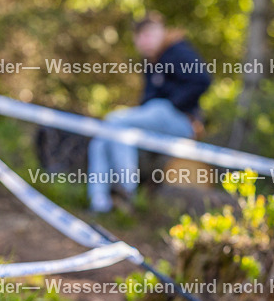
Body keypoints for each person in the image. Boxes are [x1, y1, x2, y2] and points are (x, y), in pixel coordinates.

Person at [88, 12, 211, 212]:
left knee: (115, 121)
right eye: (141, 36)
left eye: (149, 35)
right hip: (156, 118)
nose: (145, 41)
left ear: (161, 32)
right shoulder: (151, 61)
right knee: (102, 138)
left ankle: (127, 190)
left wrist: (174, 104)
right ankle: (99, 202)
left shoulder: (177, 50)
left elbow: (202, 80)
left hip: (180, 121)